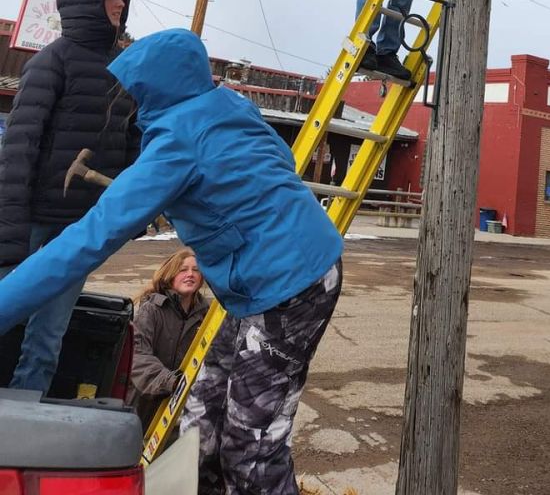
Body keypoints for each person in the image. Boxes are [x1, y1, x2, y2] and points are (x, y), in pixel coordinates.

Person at [0, 27, 343, 495]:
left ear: (152, 87)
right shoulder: (225, 103)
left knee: (251, 446)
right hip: (261, 280)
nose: (128, 99)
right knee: (200, 420)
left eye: (134, 88)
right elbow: (279, 157)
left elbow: (84, 241)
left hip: (293, 285)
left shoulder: (174, 145)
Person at [0, 0, 138, 394]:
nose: (120, 4)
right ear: (84, 3)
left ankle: (24, 419)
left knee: (48, 336)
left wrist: (135, 200)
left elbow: (132, 139)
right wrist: (9, 234)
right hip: (35, 218)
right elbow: (19, 149)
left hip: (80, 226)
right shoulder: (51, 62)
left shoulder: (126, 69)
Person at [128, 247, 209, 432]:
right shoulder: (151, 310)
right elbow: (137, 356)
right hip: (141, 404)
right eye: (183, 270)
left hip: (179, 410)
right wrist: (171, 382)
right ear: (170, 274)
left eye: (196, 270)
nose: (190, 274)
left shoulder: (206, 316)